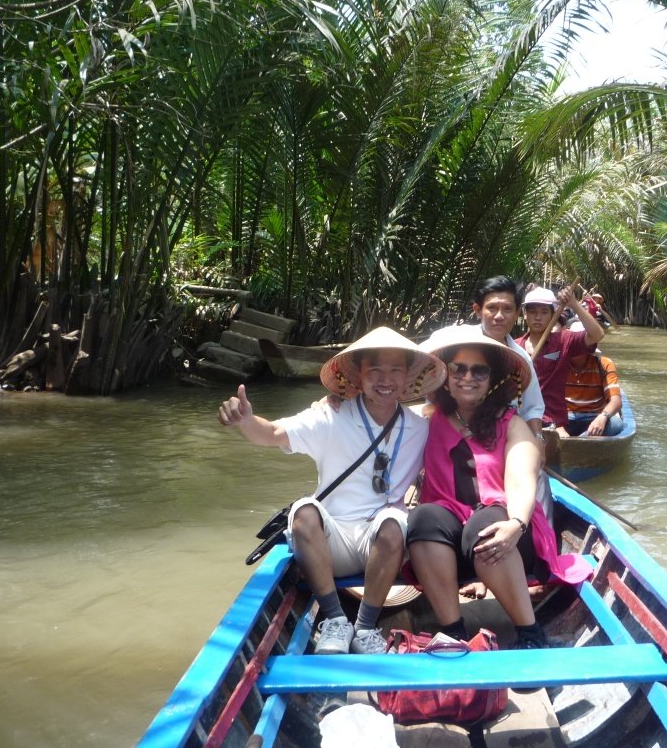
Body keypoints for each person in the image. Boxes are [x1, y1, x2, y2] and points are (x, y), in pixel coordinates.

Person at [218, 327, 446, 654]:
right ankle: (336, 619)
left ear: (408, 375)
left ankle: (365, 627)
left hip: (382, 544)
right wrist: (245, 421)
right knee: (304, 511)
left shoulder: (420, 426)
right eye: (375, 371)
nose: (385, 379)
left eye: (395, 370)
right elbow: (272, 433)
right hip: (331, 543)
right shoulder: (331, 414)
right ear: (359, 375)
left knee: (396, 521)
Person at [405, 325, 593, 650]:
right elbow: (378, 424)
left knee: (486, 522)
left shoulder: (512, 423)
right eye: (458, 369)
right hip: (446, 548)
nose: (468, 377)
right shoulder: (423, 421)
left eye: (479, 370)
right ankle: (454, 631)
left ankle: (530, 632)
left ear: (492, 379)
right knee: (422, 517)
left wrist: (516, 523)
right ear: (445, 376)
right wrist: (338, 402)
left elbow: (522, 478)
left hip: (508, 542)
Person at [514, 286, 605, 432]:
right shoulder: (515, 346)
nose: (538, 317)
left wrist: (574, 304)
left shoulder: (564, 340)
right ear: (525, 315)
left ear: (552, 315)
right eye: (533, 312)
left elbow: (597, 335)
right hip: (520, 419)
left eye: (544, 312)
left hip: (552, 421)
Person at [468, 275, 546, 440]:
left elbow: (533, 407)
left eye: (507, 309)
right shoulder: (455, 343)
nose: (499, 316)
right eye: (492, 308)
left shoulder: (521, 358)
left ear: (517, 313)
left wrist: (538, 439)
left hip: (503, 434)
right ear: (477, 310)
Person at [564, 346, 625, 437]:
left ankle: (580, 440)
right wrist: (558, 426)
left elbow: (616, 401)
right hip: (564, 417)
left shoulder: (604, 364)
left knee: (616, 424)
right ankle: (579, 441)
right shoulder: (558, 364)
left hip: (594, 416)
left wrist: (602, 417)